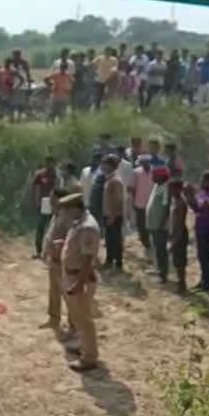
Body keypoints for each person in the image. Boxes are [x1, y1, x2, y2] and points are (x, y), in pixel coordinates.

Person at [59, 193, 101, 372]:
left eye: (66, 210)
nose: (64, 215)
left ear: (75, 208)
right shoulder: (80, 223)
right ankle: (83, 345)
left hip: (79, 277)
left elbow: (87, 259)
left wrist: (78, 284)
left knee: (83, 319)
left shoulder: (87, 227)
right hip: (73, 274)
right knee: (77, 317)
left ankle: (89, 357)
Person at [40, 188, 76, 330]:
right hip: (53, 259)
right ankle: (53, 319)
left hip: (63, 260)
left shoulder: (68, 217)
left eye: (53, 197)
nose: (50, 200)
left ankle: (74, 324)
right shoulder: (56, 213)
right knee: (54, 291)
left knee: (67, 294)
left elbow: (71, 238)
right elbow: (50, 234)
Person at [185, 171, 209, 292]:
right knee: (202, 256)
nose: (201, 182)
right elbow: (196, 208)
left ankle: (207, 283)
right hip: (200, 228)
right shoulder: (203, 193)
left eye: (204, 180)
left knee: (205, 257)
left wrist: (190, 197)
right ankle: (203, 280)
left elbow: (201, 207)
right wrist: (190, 198)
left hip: (206, 229)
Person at [146, 167, 171, 283]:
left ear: (161, 177)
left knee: (161, 249)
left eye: (154, 175)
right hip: (153, 224)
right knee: (156, 248)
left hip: (160, 225)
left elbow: (166, 208)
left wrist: (161, 224)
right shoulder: (157, 186)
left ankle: (163, 274)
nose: (152, 177)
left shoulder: (166, 188)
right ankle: (158, 269)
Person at [32, 156, 59, 259]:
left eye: (52, 163)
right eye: (48, 162)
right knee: (41, 227)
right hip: (44, 202)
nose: (50, 165)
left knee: (53, 228)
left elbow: (58, 188)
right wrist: (36, 202)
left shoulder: (57, 175)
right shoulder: (40, 174)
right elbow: (36, 188)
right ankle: (39, 251)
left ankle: (51, 252)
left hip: (54, 202)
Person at [101, 155, 125, 272]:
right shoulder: (110, 178)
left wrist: (113, 215)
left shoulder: (115, 180)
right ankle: (110, 261)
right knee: (109, 239)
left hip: (114, 215)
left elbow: (118, 200)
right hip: (109, 214)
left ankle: (117, 263)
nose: (103, 166)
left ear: (111, 165)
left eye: (105, 164)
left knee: (115, 240)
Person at [131, 155, 154, 260]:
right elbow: (132, 188)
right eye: (143, 163)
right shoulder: (136, 172)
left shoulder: (155, 171)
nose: (145, 164)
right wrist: (132, 201)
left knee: (152, 224)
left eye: (146, 162)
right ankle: (146, 244)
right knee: (141, 225)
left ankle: (152, 243)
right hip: (139, 202)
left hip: (152, 202)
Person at [168, 178, 189, 293]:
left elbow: (180, 224)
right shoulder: (175, 201)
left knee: (180, 260)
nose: (170, 191)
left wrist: (175, 240)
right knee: (177, 260)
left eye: (172, 188)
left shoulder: (181, 203)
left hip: (180, 234)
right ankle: (180, 282)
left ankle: (182, 284)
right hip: (176, 232)